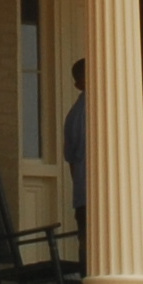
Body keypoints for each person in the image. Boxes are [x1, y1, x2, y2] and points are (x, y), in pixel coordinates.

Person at [60, 59, 87, 231]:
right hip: (102, 194)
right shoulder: (92, 110)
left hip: (83, 193)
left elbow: (71, 161)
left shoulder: (74, 114)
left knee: (86, 244)